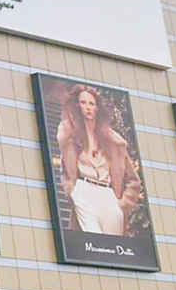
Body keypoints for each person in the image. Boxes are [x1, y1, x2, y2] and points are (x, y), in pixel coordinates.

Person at [56, 84, 141, 235]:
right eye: (83, 102)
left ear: (97, 108)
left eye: (92, 103)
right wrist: (72, 191)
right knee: (93, 238)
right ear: (77, 106)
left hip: (109, 194)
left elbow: (133, 180)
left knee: (112, 244)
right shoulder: (71, 136)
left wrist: (123, 203)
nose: (88, 107)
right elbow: (65, 170)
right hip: (83, 189)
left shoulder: (114, 141)